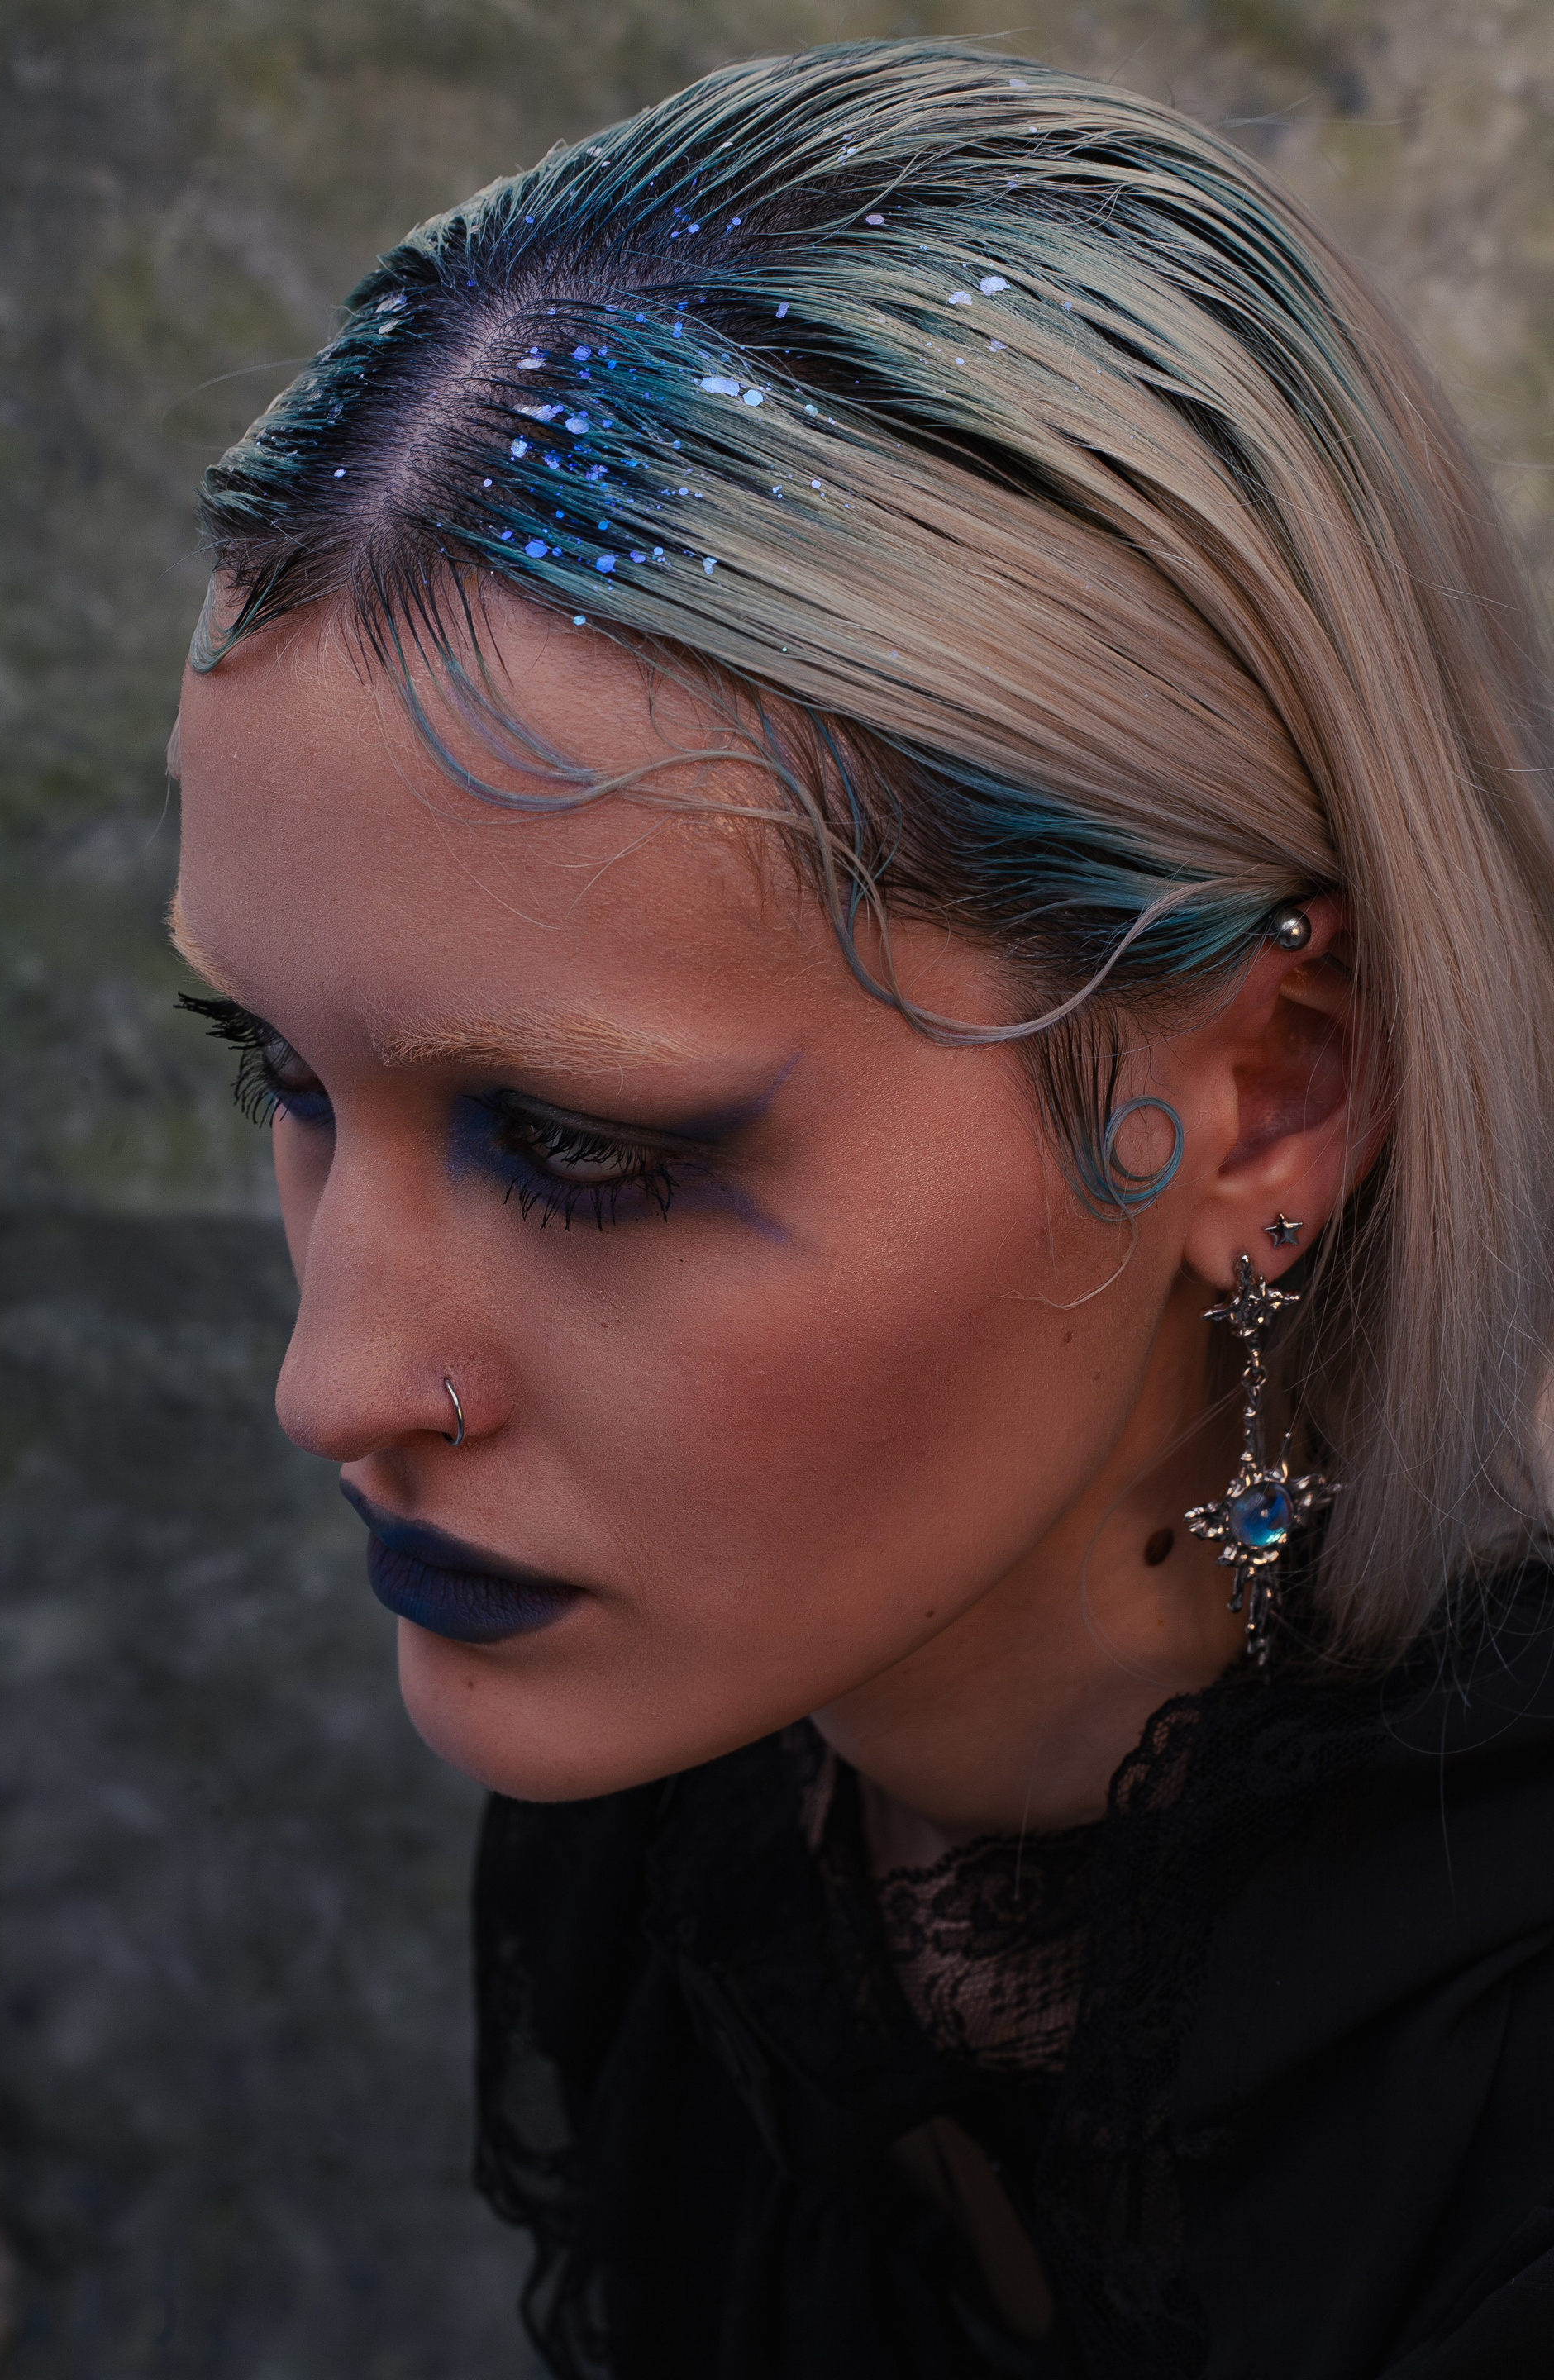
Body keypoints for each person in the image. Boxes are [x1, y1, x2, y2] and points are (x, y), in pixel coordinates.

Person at [167, 39, 1554, 2378]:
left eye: (586, 1148)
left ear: (1269, 1096)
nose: (338, 1383)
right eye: (285, 1077)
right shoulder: (702, 1780)